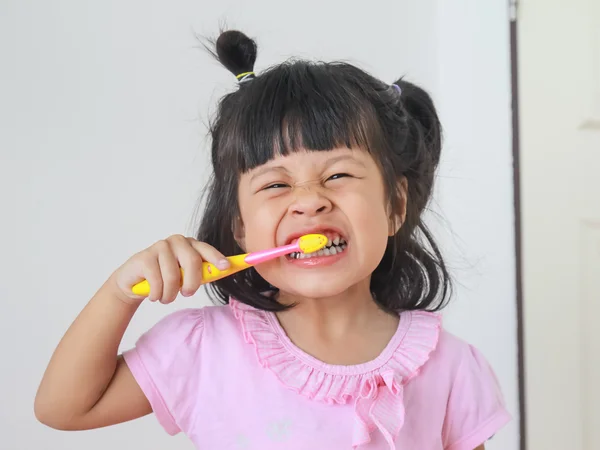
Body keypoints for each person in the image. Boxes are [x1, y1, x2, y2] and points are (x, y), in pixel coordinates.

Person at [35, 30, 511, 449]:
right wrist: (121, 293)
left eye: (339, 174)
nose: (309, 201)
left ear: (396, 206)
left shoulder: (450, 367)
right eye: (275, 184)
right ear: (240, 228)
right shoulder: (202, 349)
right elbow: (63, 409)